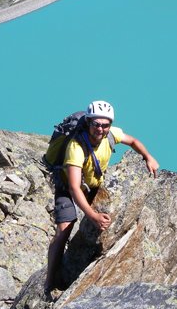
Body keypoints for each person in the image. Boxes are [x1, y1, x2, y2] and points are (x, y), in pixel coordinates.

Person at [45, 100, 159, 293]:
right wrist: (93, 216)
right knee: (64, 229)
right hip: (66, 186)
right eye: (96, 124)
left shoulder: (111, 134)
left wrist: (148, 157)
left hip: (93, 185)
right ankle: (49, 282)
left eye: (105, 125)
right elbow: (74, 188)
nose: (100, 129)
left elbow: (133, 141)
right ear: (88, 122)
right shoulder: (76, 147)